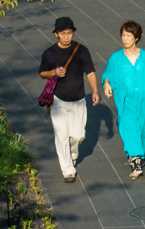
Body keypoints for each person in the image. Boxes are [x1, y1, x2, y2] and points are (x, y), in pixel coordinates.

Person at [36, 16, 100, 182]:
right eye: (63, 33)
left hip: (79, 101)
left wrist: (95, 90)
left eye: (69, 33)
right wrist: (54, 73)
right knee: (62, 136)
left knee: (78, 136)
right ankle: (67, 170)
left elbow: (91, 73)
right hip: (58, 101)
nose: (66, 37)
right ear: (56, 34)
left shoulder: (81, 50)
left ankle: (72, 154)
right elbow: (42, 73)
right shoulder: (49, 53)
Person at [99, 20, 145, 180]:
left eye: (129, 35)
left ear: (136, 37)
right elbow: (107, 73)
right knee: (129, 127)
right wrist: (107, 84)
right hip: (126, 101)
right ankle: (135, 163)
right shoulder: (116, 58)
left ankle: (140, 155)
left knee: (144, 130)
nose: (125, 38)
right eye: (123, 35)